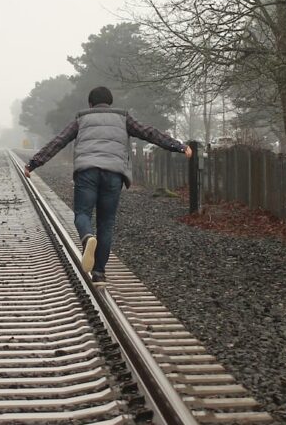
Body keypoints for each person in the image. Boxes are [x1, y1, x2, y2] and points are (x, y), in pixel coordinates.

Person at [24, 86, 192, 284]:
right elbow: (150, 133)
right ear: (110, 103)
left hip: (87, 172)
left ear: (90, 104)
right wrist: (180, 146)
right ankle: (99, 273)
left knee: (83, 214)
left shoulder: (81, 119)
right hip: (113, 174)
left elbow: (58, 141)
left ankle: (87, 237)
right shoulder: (123, 118)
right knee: (106, 223)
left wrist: (33, 164)